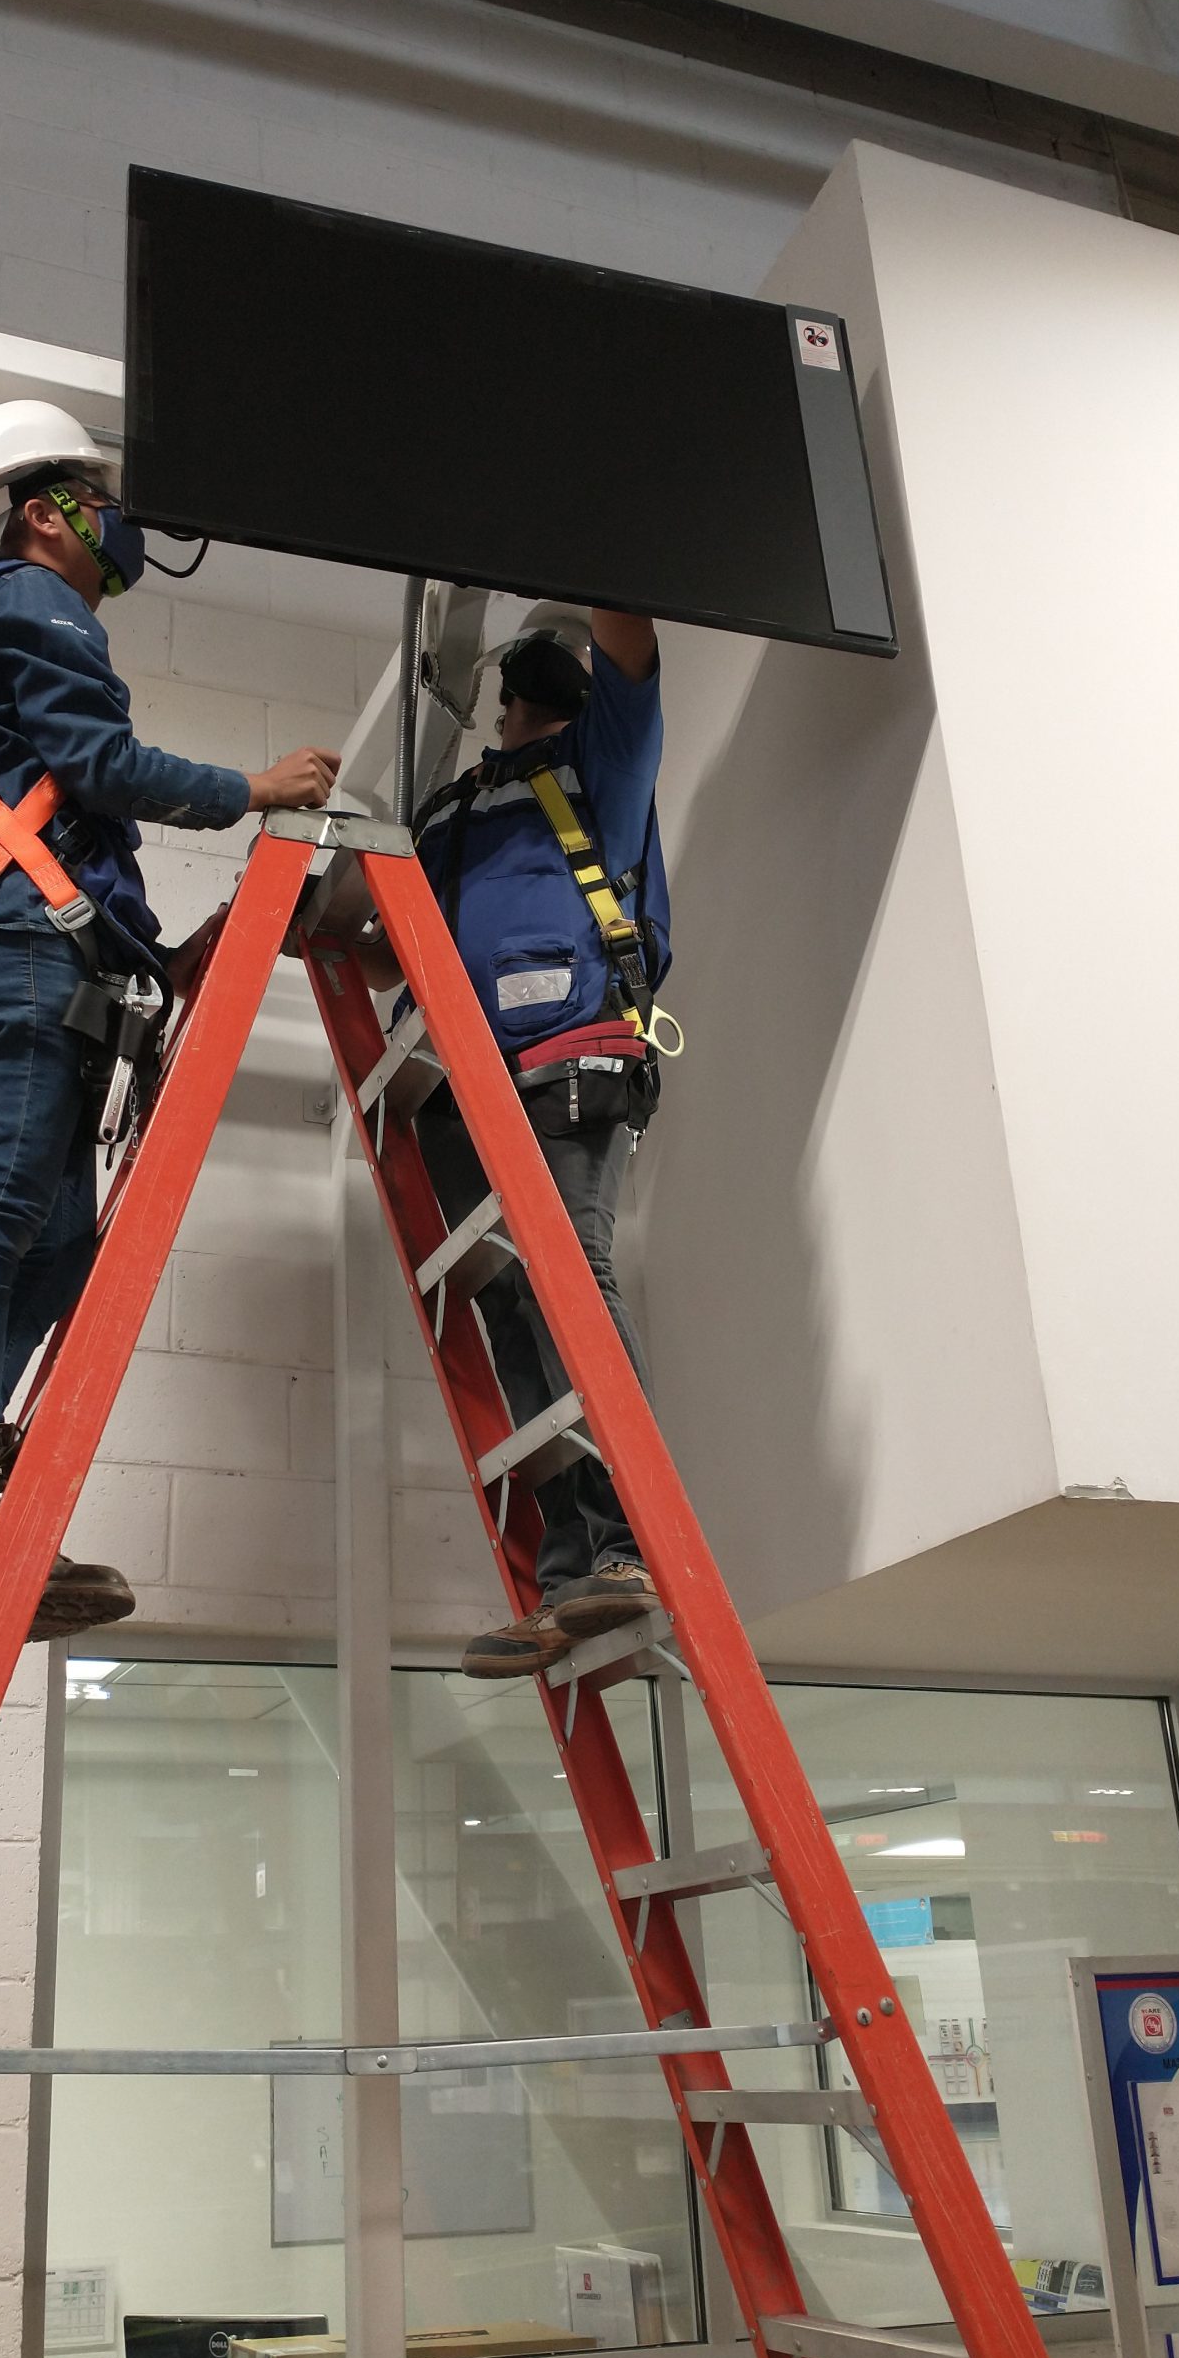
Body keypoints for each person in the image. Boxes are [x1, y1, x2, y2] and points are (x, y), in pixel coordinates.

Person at [0, 401, 338, 1642]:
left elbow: (65, 799)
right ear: (39, 513)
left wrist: (163, 957)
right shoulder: (27, 601)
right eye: (94, 497)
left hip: (37, 954)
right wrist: (251, 790)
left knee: (59, 1245)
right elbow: (102, 765)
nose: (114, 520)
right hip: (14, 954)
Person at [405, 611, 671, 1679]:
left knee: (569, 1267)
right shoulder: (452, 811)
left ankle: (626, 1541)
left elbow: (633, 650)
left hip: (572, 1051)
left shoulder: (595, 763)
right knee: (512, 1300)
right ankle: (573, 1565)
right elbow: (391, 946)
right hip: (462, 1084)